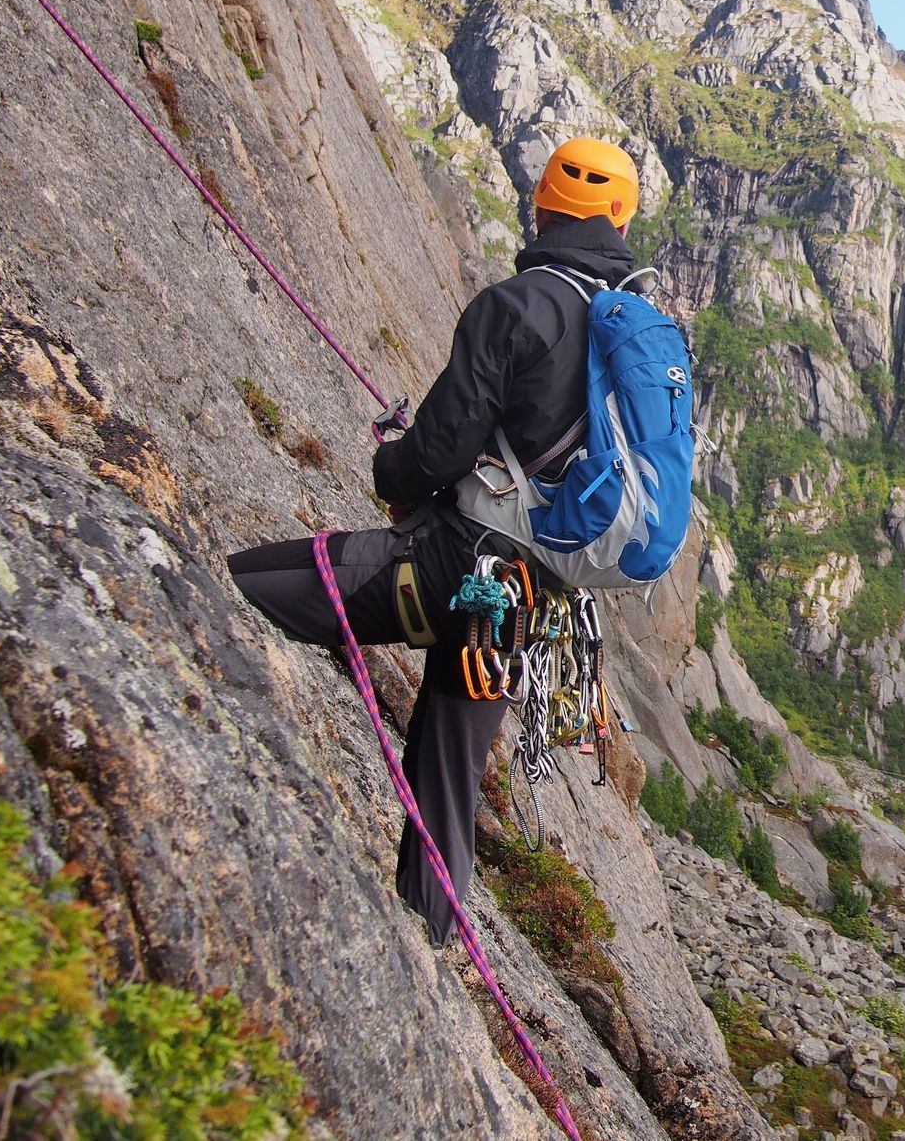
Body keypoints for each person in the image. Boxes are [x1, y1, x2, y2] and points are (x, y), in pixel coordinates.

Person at [228, 136, 642, 946]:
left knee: (242, 586)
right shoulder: (636, 333)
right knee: (448, 773)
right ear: (623, 218)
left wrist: (393, 464)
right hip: (529, 601)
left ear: (544, 206)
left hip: (457, 565)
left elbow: (439, 453)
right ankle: (430, 944)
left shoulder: (518, 305)